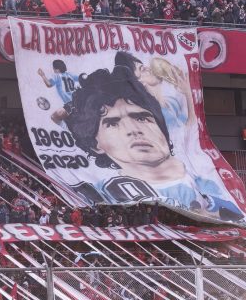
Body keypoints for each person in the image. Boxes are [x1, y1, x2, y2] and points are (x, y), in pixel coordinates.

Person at [64, 66, 244, 221]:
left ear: (162, 128)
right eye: (112, 123)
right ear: (95, 144)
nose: (133, 129)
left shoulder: (210, 186)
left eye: (141, 117)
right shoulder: (99, 193)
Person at [37, 59, 79, 124]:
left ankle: (70, 130)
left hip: (70, 104)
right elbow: (80, 79)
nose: (53, 70)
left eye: (53, 68)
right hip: (77, 101)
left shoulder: (57, 76)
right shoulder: (70, 74)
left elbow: (49, 84)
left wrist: (43, 75)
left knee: (54, 117)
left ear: (57, 69)